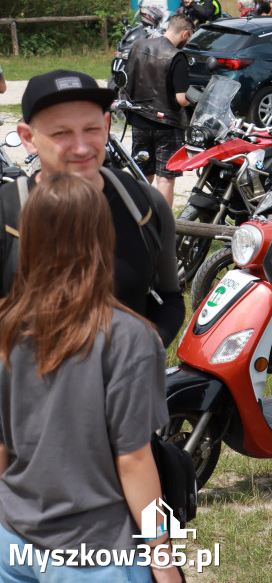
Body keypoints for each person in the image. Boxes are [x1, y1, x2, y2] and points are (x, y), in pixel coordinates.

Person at [0, 173, 181, 583]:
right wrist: (163, 561)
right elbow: (135, 460)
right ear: (104, 241)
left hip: (12, 541)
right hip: (95, 553)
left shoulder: (7, 326)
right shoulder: (133, 338)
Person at [0, 69, 184, 347]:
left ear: (107, 124)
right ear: (28, 138)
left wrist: (148, 348)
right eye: (61, 133)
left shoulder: (143, 204)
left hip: (127, 385)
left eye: (92, 129)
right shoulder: (7, 213)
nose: (82, 147)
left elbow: (169, 299)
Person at [123, 13, 195, 208]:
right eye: (188, 38)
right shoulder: (177, 56)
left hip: (139, 120)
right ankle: (163, 225)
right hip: (167, 126)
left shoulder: (138, 46)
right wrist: (197, 99)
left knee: (142, 174)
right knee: (165, 177)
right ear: (185, 33)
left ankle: (137, 217)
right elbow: (181, 99)